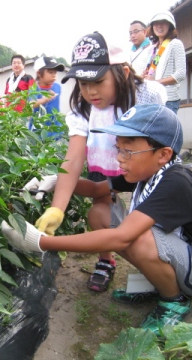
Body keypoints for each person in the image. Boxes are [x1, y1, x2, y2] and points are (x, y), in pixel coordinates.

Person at [3, 104, 192, 336]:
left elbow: (122, 238)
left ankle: (176, 300)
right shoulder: (148, 171)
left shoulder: (175, 182)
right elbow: (94, 189)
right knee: (100, 213)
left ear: (163, 154)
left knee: (138, 237)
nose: (119, 159)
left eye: (127, 152)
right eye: (118, 148)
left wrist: (40, 242)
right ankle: (160, 284)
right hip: (184, 255)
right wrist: (54, 181)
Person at [23, 32, 166, 292]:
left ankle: (160, 264)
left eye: (98, 81)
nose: (89, 91)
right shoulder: (85, 109)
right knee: (99, 209)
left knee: (147, 225)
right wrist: (57, 208)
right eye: (82, 83)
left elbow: (163, 143)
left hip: (145, 168)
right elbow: (74, 157)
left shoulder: (146, 96)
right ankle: (105, 259)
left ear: (122, 73)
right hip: (108, 167)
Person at [144, 11, 186, 114]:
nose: (159, 26)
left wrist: (155, 83)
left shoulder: (175, 44)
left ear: (170, 25)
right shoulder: (153, 49)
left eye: (163, 22)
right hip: (152, 99)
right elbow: (151, 73)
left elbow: (180, 74)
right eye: (156, 23)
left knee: (166, 130)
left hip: (169, 100)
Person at [28, 56, 65, 138]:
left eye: (55, 73)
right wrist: (45, 99)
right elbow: (30, 104)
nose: (54, 75)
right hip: (37, 132)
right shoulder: (34, 88)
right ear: (39, 73)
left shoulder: (57, 87)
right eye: (51, 72)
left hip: (55, 131)